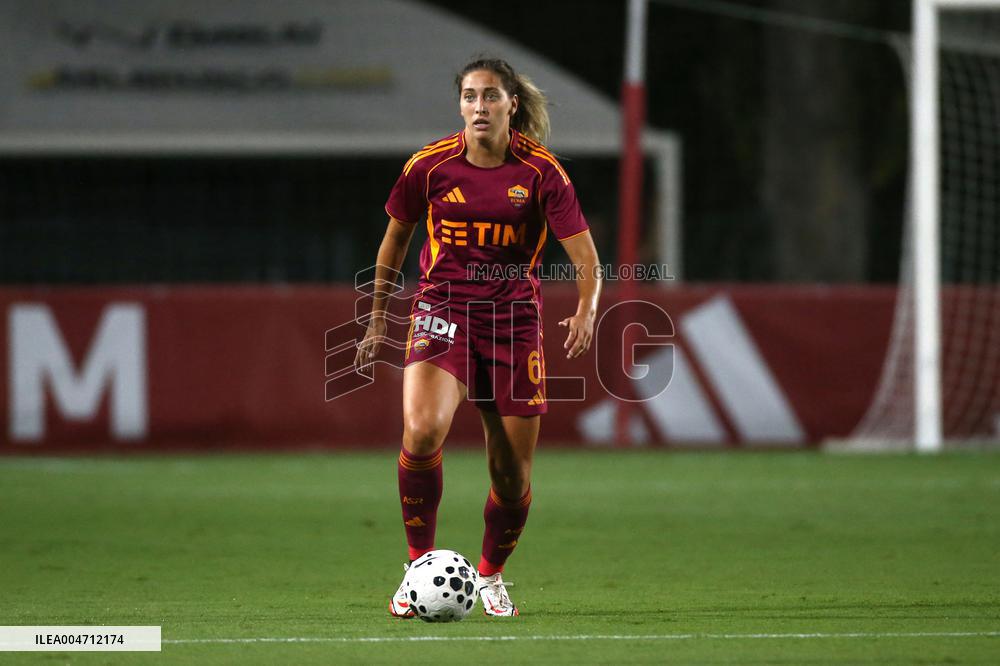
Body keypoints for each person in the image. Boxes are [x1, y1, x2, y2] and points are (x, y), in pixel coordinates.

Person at [354, 57, 602, 617]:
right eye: (469, 97)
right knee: (420, 432)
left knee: (511, 477)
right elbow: (394, 243)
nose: (479, 107)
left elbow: (586, 258)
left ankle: (490, 577)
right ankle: (418, 568)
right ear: (459, 105)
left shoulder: (542, 173)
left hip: (514, 323)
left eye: (491, 97)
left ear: (512, 104)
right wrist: (375, 316)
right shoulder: (429, 166)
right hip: (442, 310)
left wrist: (587, 310)